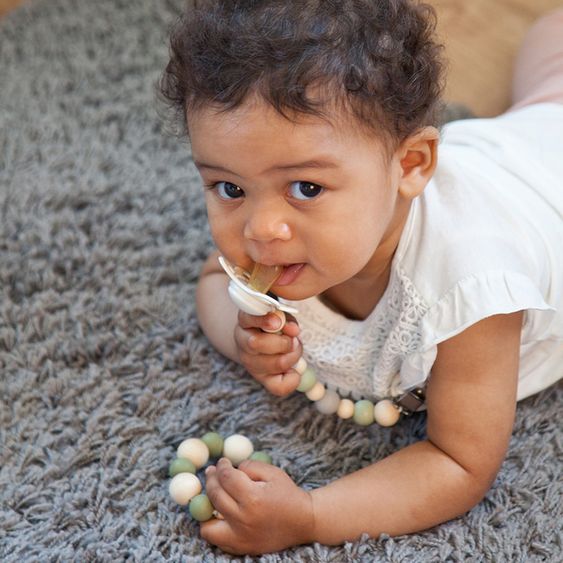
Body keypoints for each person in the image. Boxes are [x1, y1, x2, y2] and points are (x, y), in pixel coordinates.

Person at [160, 0, 563, 555]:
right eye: (229, 188)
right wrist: (241, 335)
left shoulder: (471, 289)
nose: (261, 229)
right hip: (508, 152)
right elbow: (213, 278)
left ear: (411, 165)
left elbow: (459, 461)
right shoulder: (282, 238)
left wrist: (311, 516)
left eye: (305, 187)